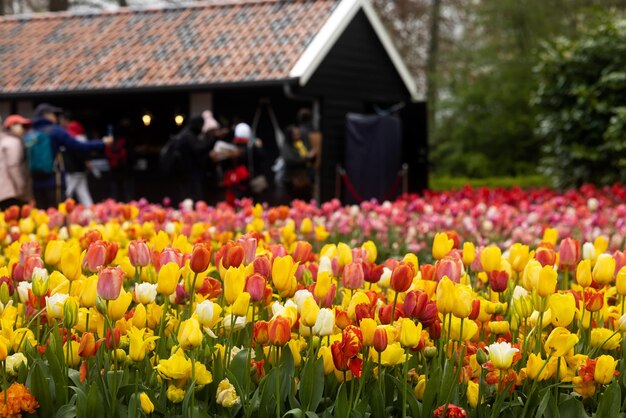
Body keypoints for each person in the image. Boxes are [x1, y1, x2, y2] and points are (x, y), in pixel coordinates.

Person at [29, 103, 112, 209]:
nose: (56, 117)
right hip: (55, 181)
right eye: (54, 114)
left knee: (41, 215)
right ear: (46, 115)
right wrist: (102, 143)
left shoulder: (31, 133)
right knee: (59, 214)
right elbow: (77, 146)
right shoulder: (55, 131)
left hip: (36, 183)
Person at [176, 114, 213, 202]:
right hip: (189, 172)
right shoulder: (188, 135)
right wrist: (211, 141)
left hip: (186, 172)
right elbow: (198, 149)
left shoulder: (185, 134)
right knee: (192, 198)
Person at [60, 114, 94, 207]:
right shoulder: (81, 138)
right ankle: (91, 211)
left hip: (73, 170)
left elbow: (81, 155)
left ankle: (62, 213)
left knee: (68, 192)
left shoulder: (76, 139)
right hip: (80, 170)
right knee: (83, 192)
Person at [0, 115, 33, 209]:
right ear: (12, 126)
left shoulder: (3, 140)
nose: (24, 129)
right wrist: (21, 189)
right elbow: (14, 166)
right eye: (21, 126)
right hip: (11, 192)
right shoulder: (13, 142)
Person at [281, 125, 315, 200]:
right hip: (292, 179)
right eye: (295, 134)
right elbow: (291, 160)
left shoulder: (301, 144)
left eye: (298, 134)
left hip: (303, 178)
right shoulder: (287, 146)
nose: (298, 136)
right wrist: (307, 157)